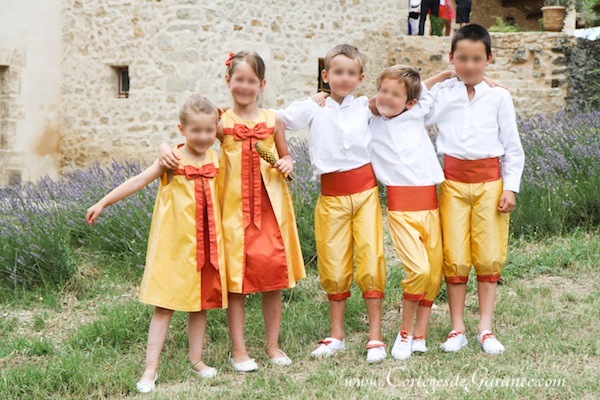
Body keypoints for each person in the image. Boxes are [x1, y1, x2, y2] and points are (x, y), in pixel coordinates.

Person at [159, 51, 306, 372]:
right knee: (236, 280)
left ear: (262, 84)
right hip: (232, 212)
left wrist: (287, 162)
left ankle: (272, 345)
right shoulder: (222, 122)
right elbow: (189, 141)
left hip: (270, 209)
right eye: (238, 79)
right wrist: (163, 149)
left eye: (251, 80)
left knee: (272, 277)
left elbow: (287, 155)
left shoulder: (273, 120)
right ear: (228, 81)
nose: (244, 86)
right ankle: (238, 350)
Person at [86, 95, 228, 393]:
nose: (203, 137)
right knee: (164, 307)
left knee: (199, 305)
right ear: (182, 129)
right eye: (195, 131)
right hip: (175, 247)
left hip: (206, 246)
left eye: (208, 131)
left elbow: (241, 124)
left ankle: (197, 360)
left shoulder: (216, 157)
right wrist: (103, 202)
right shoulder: (171, 160)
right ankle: (150, 369)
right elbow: (138, 181)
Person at [277, 44, 387, 363]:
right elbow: (274, 121)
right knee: (334, 262)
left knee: (370, 258)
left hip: (365, 192)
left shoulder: (366, 106)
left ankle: (375, 336)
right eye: (337, 72)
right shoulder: (314, 107)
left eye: (351, 73)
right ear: (326, 75)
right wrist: (284, 155)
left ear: (360, 77)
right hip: (332, 196)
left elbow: (408, 94)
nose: (344, 78)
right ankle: (336, 334)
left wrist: (455, 76)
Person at [426, 24, 525, 355]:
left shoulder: (499, 96)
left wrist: (510, 188)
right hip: (452, 183)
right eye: (462, 58)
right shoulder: (443, 94)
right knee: (455, 256)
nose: (469, 65)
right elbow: (412, 105)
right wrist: (441, 77)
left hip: (489, 185)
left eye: (477, 59)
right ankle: (457, 328)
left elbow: (512, 147)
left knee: (489, 255)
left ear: (488, 59)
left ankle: (485, 327)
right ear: (452, 58)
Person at [369, 65, 450, 360]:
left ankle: (421, 335)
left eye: (395, 95)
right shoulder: (371, 120)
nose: (387, 98)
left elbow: (421, 91)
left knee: (433, 274)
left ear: (409, 103)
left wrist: (442, 76)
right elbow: (349, 112)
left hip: (431, 204)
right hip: (401, 208)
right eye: (383, 91)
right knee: (418, 270)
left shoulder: (416, 113)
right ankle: (404, 332)